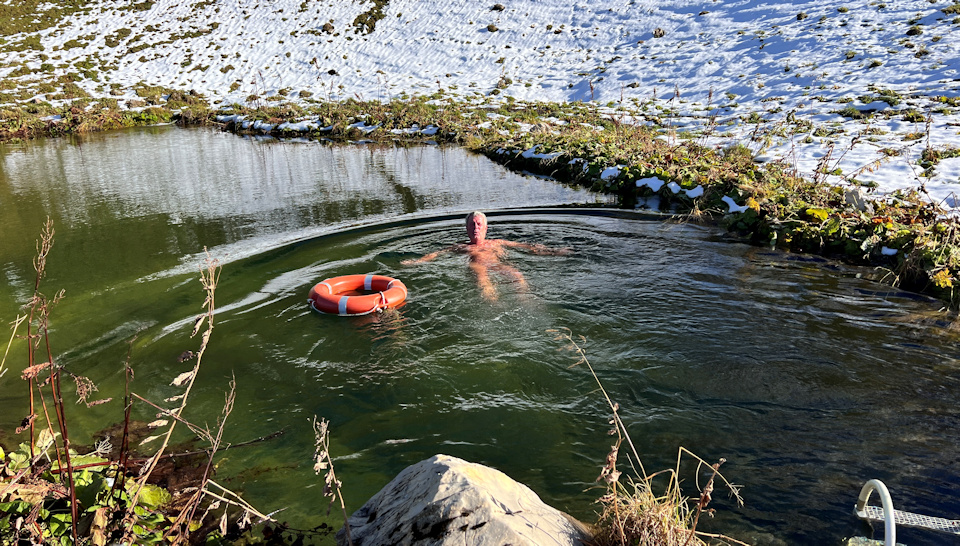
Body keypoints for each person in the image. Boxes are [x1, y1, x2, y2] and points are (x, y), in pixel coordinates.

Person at [402, 211, 571, 301]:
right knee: (483, 281)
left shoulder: (497, 242)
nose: (475, 227)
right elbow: (436, 254)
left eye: (479, 224)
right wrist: (416, 262)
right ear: (467, 229)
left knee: (517, 275)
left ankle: (526, 301)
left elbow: (528, 247)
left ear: (486, 228)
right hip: (478, 267)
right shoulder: (461, 247)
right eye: (472, 224)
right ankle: (496, 306)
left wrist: (554, 251)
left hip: (497, 265)